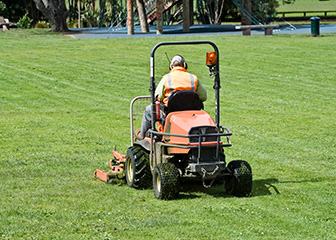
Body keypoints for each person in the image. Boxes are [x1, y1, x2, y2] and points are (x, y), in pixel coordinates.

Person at [137, 55, 207, 140]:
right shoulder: (193, 78)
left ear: (171, 66)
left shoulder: (167, 78)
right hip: (191, 115)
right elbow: (203, 97)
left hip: (170, 113)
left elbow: (158, 96)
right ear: (184, 65)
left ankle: (142, 136)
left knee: (149, 109)